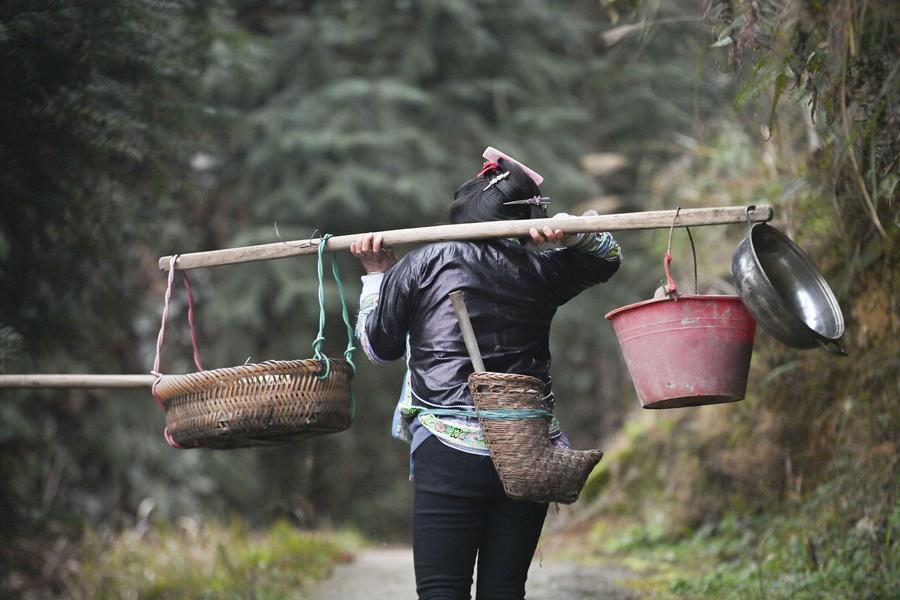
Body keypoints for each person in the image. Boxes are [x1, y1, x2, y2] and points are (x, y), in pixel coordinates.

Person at [351, 150, 621, 600]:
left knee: (442, 591)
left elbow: (379, 349)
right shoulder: (541, 269)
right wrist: (571, 232)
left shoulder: (420, 263)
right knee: (504, 592)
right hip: (526, 449)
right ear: (524, 222)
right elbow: (606, 257)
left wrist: (377, 277)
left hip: (447, 448)